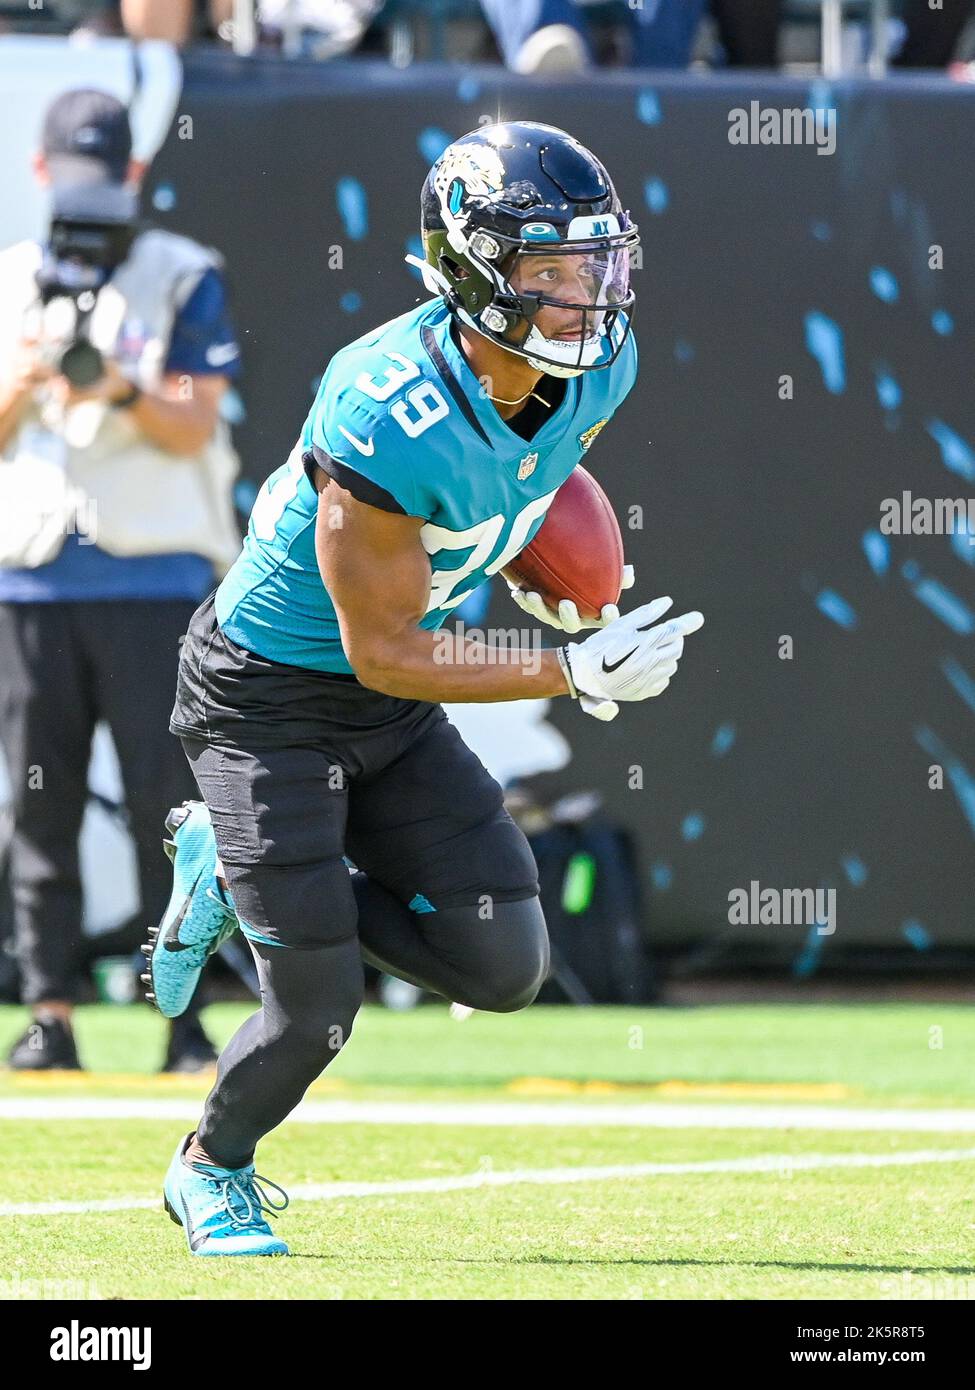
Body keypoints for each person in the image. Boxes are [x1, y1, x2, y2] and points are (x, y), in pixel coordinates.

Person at [150, 121, 705, 1256]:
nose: (585, 296)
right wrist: (568, 665)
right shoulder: (381, 402)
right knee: (317, 1004)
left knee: (505, 963)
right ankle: (212, 1167)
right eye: (549, 271)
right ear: (472, 274)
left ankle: (243, 867)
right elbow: (383, 647)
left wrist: (539, 571)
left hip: (387, 709)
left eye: (594, 263)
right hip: (269, 698)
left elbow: (519, 480)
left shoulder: (602, 368)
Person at [0, 89, 242, 1073]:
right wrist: (25, 377)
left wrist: (118, 387)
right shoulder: (13, 279)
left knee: (169, 808)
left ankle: (181, 1019)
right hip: (34, 583)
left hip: (154, 577)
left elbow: (196, 422)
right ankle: (49, 1011)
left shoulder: (183, 273)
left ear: (134, 175)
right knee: (36, 807)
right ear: (41, 169)